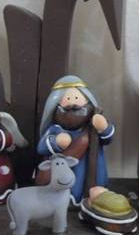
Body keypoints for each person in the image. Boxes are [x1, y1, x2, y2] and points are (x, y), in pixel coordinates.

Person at [37, 75, 115, 206]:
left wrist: (103, 127)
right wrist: (57, 142)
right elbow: (41, 147)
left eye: (77, 98)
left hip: (92, 169)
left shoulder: (91, 128)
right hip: (64, 174)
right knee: (71, 187)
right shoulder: (55, 129)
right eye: (67, 99)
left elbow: (108, 139)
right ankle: (69, 199)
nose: (72, 102)